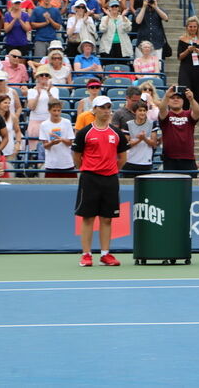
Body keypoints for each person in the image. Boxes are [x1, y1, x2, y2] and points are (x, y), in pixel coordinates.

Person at [72, 95, 128, 267]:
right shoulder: (84, 132)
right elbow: (77, 158)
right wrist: (91, 169)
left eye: (108, 107)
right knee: (88, 218)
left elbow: (123, 158)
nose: (106, 111)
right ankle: (86, 254)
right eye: (102, 107)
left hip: (110, 179)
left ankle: (105, 254)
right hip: (89, 178)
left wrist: (110, 170)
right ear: (94, 110)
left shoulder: (116, 133)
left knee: (107, 218)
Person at [158, 86, 199, 175]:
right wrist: (166, 96)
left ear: (183, 101)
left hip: (188, 158)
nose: (175, 100)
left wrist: (191, 99)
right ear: (168, 102)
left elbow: (197, 112)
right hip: (170, 159)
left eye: (178, 98)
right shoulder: (166, 115)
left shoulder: (188, 114)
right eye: (172, 98)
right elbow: (162, 109)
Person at [39, 98, 76, 178]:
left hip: (67, 163)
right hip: (51, 164)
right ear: (49, 110)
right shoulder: (44, 125)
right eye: (54, 110)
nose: (56, 113)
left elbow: (70, 142)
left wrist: (61, 139)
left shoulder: (67, 122)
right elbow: (45, 146)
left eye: (59, 110)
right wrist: (52, 143)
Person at [177, 16, 199, 103]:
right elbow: (179, 57)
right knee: (185, 92)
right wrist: (188, 50)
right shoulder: (182, 39)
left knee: (198, 95)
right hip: (186, 69)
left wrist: (198, 51)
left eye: (194, 26)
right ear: (187, 27)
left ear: (198, 27)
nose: (192, 29)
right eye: (190, 26)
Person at [122, 101, 159, 176]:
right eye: (140, 110)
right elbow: (127, 144)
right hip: (130, 161)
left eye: (144, 110)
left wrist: (144, 138)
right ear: (134, 112)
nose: (142, 113)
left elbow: (154, 144)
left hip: (146, 162)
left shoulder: (152, 124)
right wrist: (140, 140)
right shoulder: (128, 124)